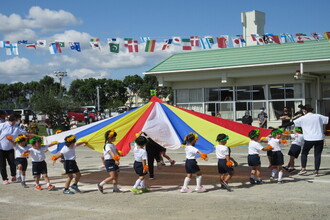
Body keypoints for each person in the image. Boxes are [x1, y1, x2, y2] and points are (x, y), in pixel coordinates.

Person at [292, 105, 329, 176]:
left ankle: (303, 169)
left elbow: (292, 123)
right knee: (317, 154)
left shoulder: (303, 118)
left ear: (305, 111)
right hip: (319, 138)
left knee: (304, 153)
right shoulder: (318, 116)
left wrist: (280, 127)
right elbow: (327, 120)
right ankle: (316, 171)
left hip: (309, 139)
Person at [0, 115, 31, 184]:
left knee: (12, 163)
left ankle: (13, 175)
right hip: (1, 148)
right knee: (2, 165)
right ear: (9, 121)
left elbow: (25, 132)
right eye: (13, 121)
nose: (14, 122)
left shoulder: (16, 127)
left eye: (15, 121)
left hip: (11, 148)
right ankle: (5, 178)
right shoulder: (2, 125)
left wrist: (32, 135)